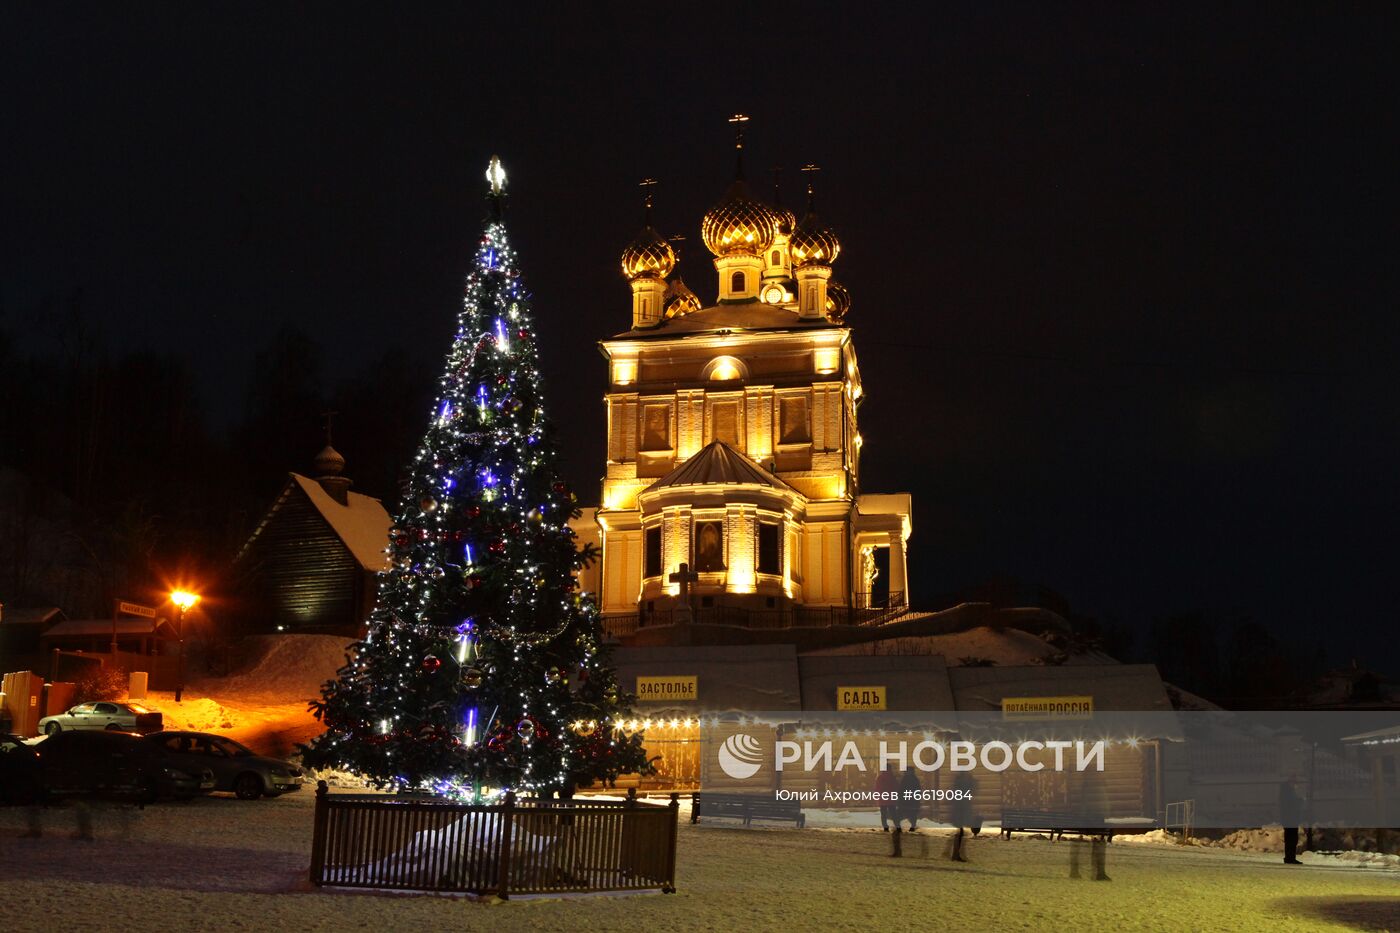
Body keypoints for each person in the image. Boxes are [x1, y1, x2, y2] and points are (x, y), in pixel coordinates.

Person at [950, 771, 976, 862]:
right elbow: (972, 790)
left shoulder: (958, 782)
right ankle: (956, 854)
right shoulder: (963, 783)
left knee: (960, 832)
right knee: (960, 832)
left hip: (959, 810)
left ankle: (956, 854)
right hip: (961, 810)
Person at [1280, 776, 1304, 864]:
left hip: (1288, 819)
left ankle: (1289, 857)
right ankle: (1290, 857)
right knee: (1292, 839)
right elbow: (1290, 805)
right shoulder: (1288, 793)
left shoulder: (1285, 792)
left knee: (1290, 839)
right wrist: (1299, 801)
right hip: (1291, 819)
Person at [874, 767, 899, 832]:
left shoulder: (880, 778)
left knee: (883, 814)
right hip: (891, 799)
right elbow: (896, 787)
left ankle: (885, 827)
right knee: (894, 814)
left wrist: (877, 797)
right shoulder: (892, 778)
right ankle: (897, 826)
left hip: (883, 799)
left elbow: (877, 788)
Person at [898, 768, 923, 832]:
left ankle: (912, 825)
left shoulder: (907, 779)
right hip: (909, 799)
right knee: (911, 813)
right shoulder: (913, 779)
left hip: (910, 799)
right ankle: (912, 825)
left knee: (912, 813)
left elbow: (901, 789)